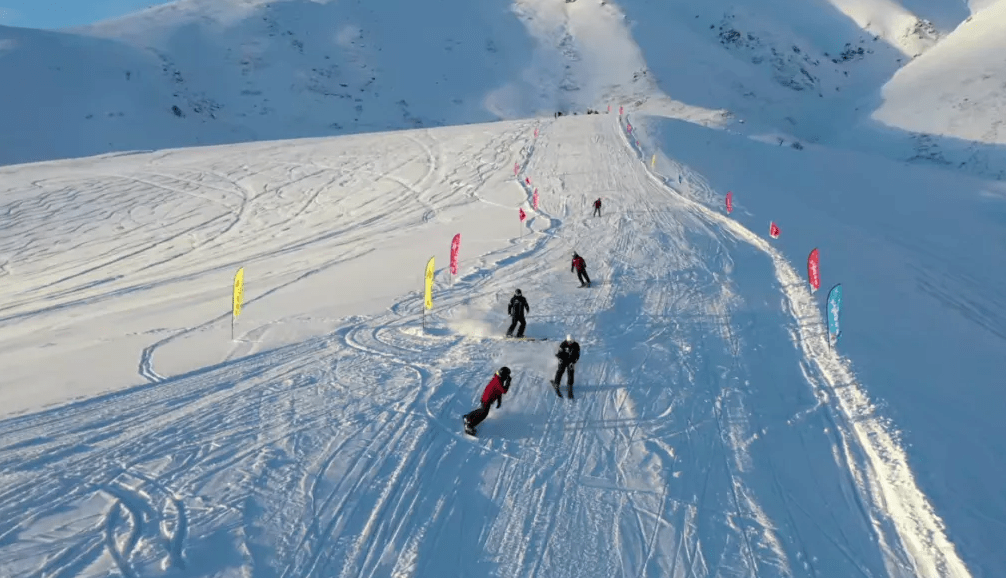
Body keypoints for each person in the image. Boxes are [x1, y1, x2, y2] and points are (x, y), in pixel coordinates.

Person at [463, 367, 512, 435]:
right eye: (507, 376)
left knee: (482, 410)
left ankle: (468, 417)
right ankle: (470, 425)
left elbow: (499, 391)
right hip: (487, 399)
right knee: (483, 414)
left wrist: (499, 401)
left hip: (486, 398)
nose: (507, 378)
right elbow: (504, 391)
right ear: (504, 375)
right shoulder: (498, 381)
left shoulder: (498, 379)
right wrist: (508, 382)